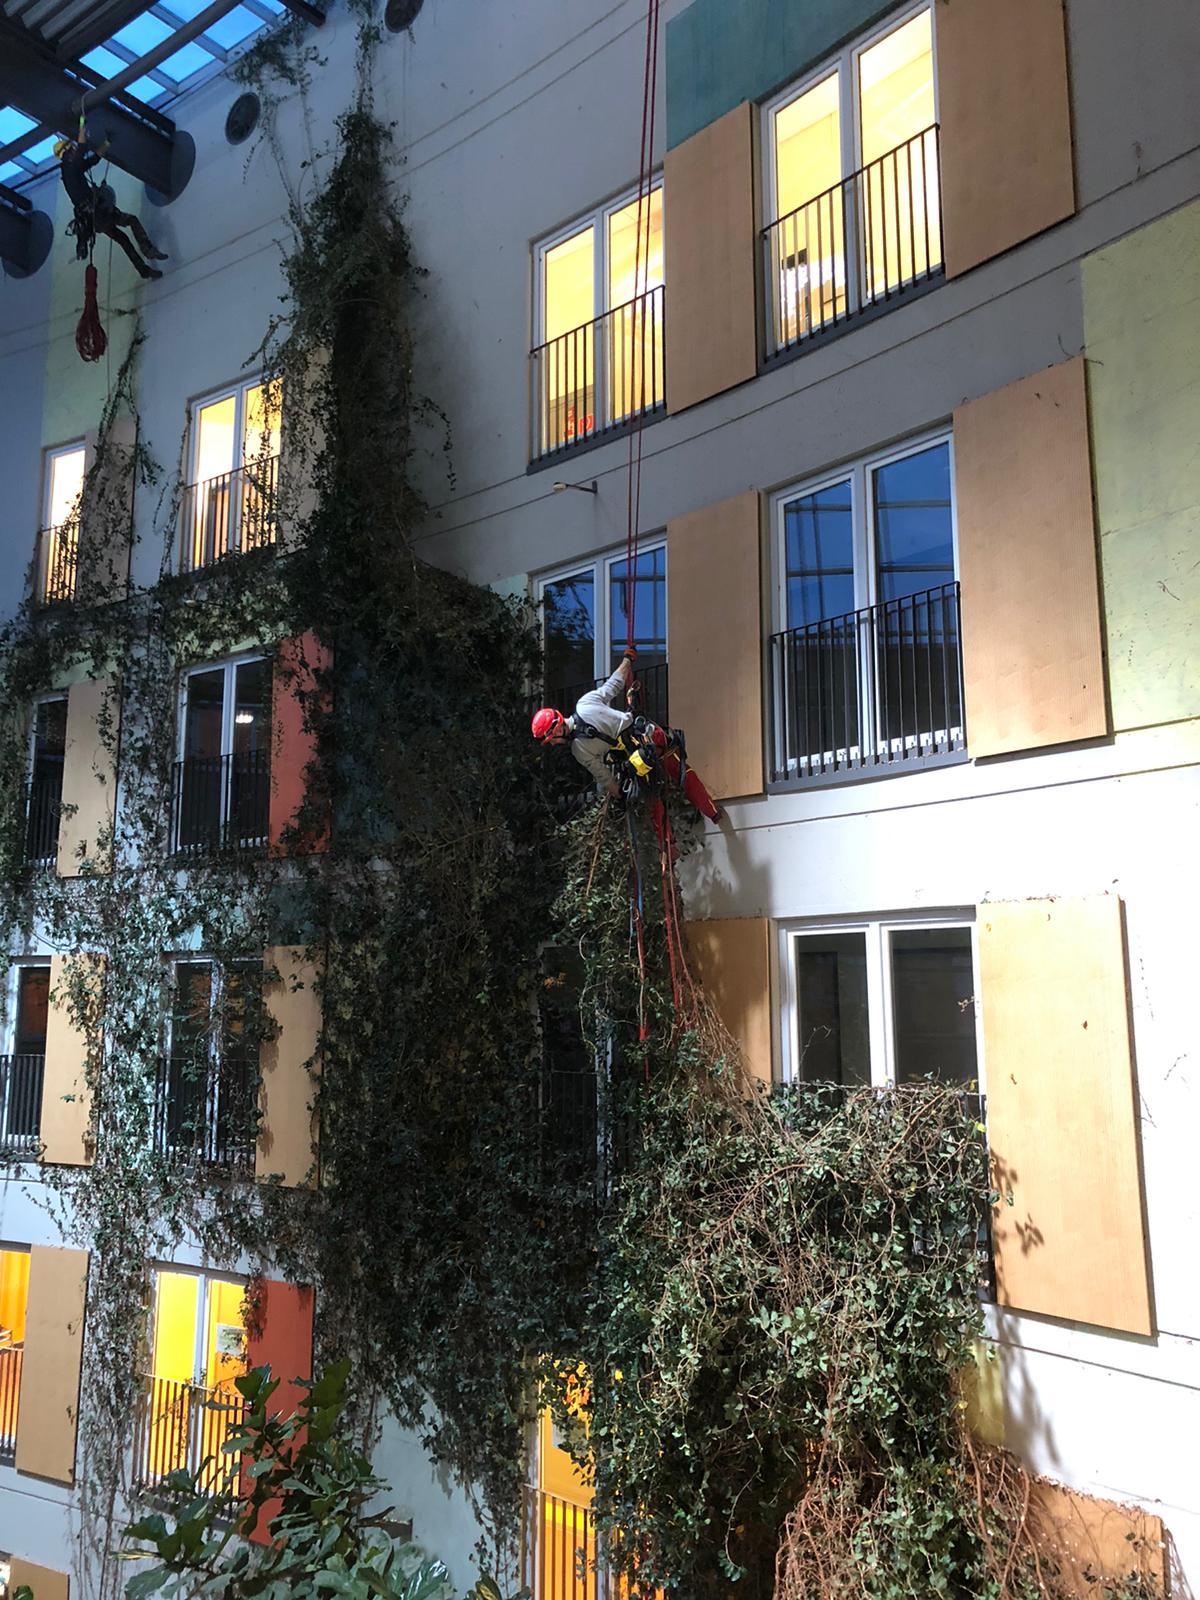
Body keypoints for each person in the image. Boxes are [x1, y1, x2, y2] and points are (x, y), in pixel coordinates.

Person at [531, 650, 723, 829]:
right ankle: (712, 813)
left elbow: (604, 777)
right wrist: (628, 659)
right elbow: (615, 683)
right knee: (682, 771)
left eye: (551, 740)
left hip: (638, 761)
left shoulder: (579, 749)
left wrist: (620, 797)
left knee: (652, 798)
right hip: (649, 736)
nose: (555, 744)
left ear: (555, 731)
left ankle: (669, 850)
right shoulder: (585, 703)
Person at [56, 130, 168, 281]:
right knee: (131, 220)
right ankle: (147, 249)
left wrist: (107, 144)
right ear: (67, 152)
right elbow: (82, 147)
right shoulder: (71, 167)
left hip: (95, 218)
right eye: (71, 147)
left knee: (123, 239)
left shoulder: (70, 171)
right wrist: (82, 124)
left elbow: (94, 159)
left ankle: (144, 271)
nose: (74, 148)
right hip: (99, 213)